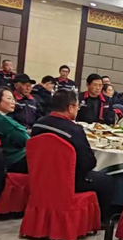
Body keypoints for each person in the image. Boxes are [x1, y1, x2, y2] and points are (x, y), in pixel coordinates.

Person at [31, 89, 115, 224]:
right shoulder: (74, 130)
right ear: (70, 108)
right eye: (77, 107)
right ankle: (102, 221)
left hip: (40, 176)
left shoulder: (38, 124)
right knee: (106, 180)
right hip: (68, 181)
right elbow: (88, 162)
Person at [0, 88, 29, 173]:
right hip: (15, 159)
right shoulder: (1, 120)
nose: (13, 102)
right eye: (9, 99)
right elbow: (25, 140)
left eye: (13, 99)